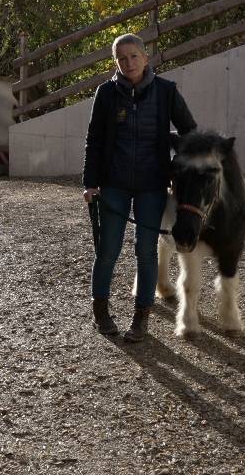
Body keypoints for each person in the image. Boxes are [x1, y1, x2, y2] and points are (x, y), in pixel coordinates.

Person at [83, 33, 196, 342]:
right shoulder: (106, 93)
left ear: (146, 58)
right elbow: (94, 139)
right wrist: (90, 183)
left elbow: (190, 132)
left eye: (133, 56)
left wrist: (177, 168)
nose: (128, 62)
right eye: (122, 58)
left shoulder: (166, 92)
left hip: (152, 185)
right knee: (108, 251)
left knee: (146, 251)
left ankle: (141, 318)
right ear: (116, 62)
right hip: (114, 185)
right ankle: (101, 311)